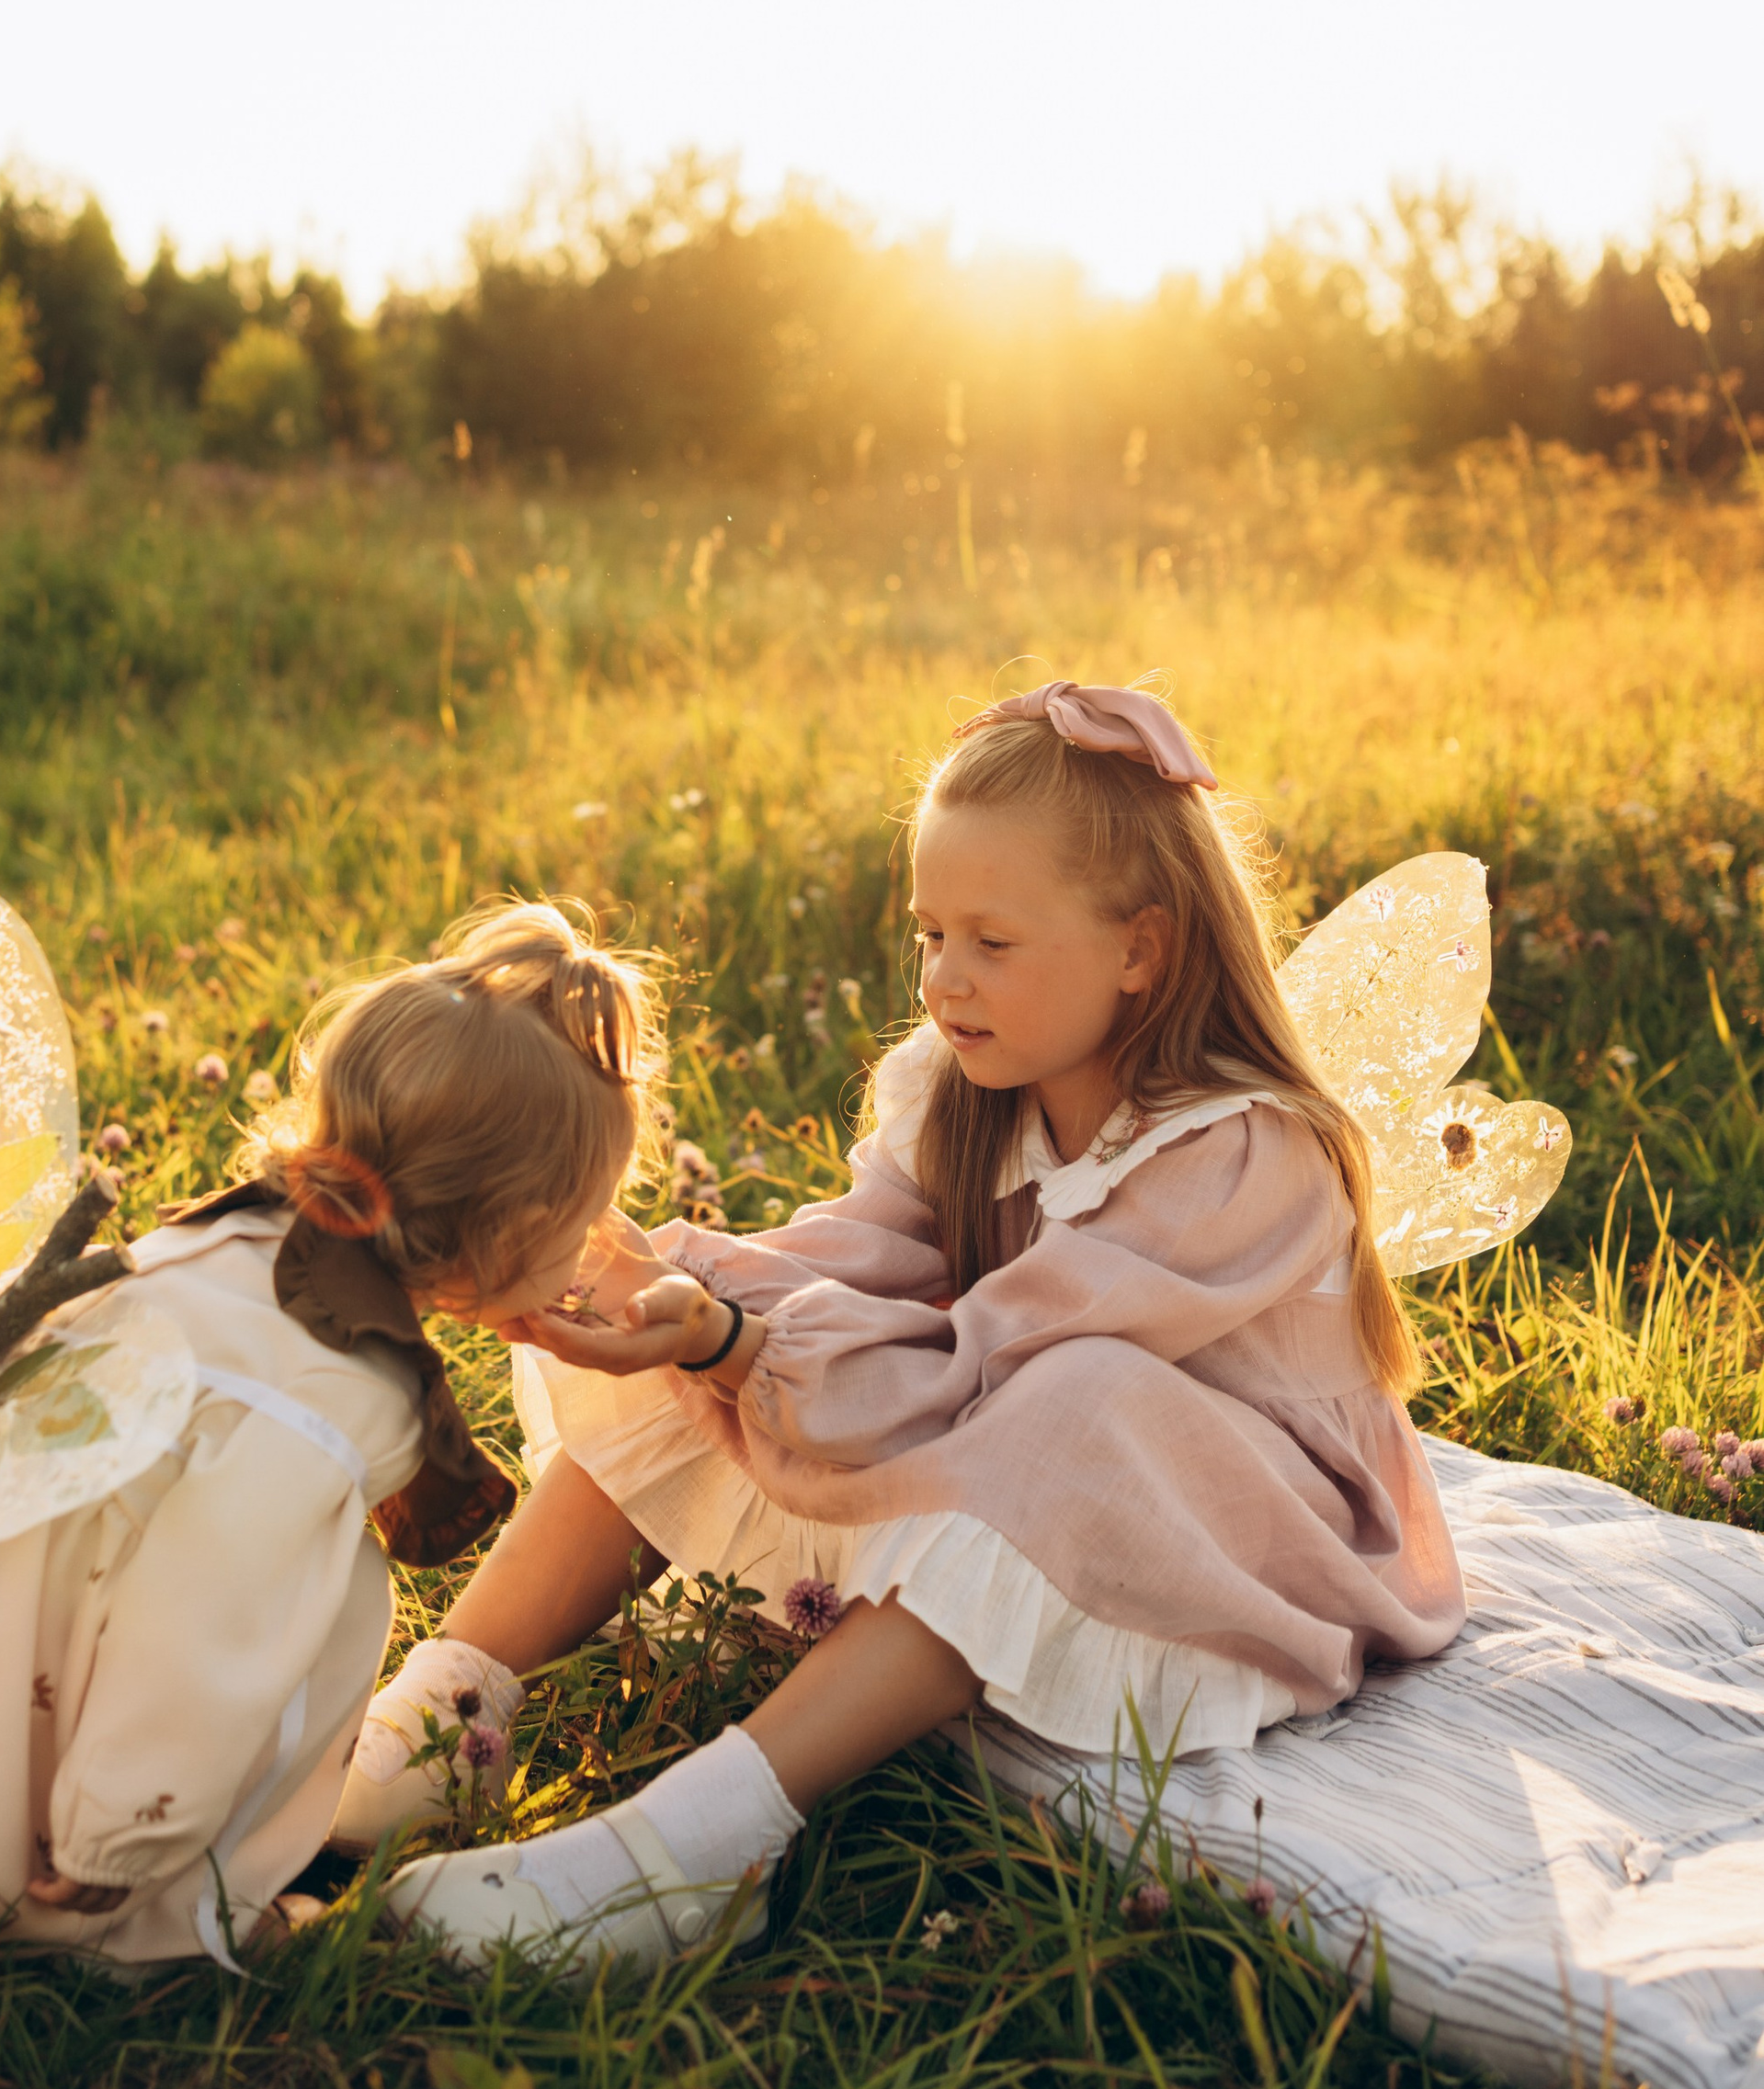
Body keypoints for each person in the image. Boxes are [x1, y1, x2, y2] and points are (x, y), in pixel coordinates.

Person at [353, 684, 1466, 1972]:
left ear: (1141, 951)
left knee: (1068, 1401)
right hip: (1008, 1424)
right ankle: (441, 1722)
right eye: (929, 932)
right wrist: (687, 1303)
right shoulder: (964, 1091)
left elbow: (998, 1359)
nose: (944, 978)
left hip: (1254, 1532)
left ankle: (694, 1846)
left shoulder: (1245, 1155)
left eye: (993, 941)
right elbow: (865, 1259)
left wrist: (741, 1341)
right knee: (739, 1316)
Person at [0, 904, 663, 1995]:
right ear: (510, 1231)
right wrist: (117, 1840)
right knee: (245, 1669)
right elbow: (195, 1642)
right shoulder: (319, 1408)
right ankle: (121, 1923)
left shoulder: (218, 1240)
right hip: (57, 1731)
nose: (593, 1250)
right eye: (586, 1223)